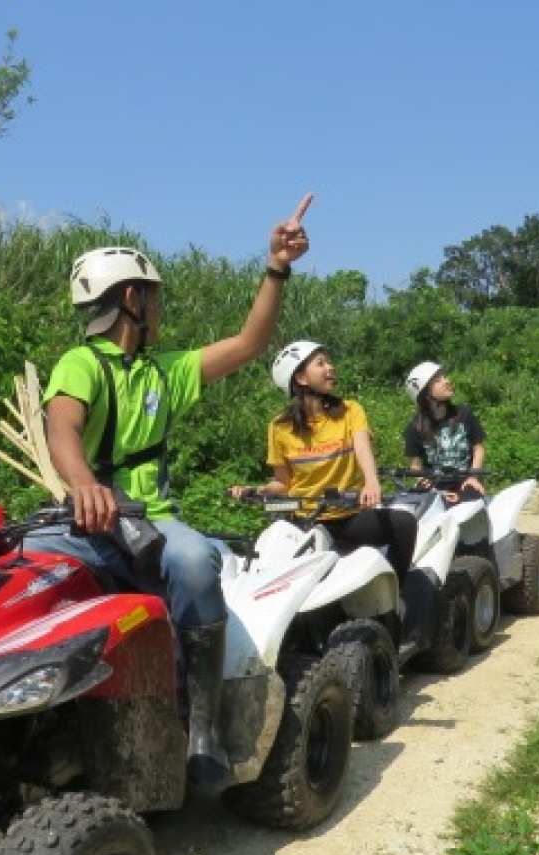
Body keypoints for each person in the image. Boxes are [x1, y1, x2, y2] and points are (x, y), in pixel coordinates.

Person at [23, 195, 313, 785]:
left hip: (151, 521)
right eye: (154, 297)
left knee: (195, 561)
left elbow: (249, 344)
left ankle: (202, 730)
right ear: (133, 299)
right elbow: (62, 428)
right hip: (84, 525)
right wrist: (82, 486)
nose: (159, 308)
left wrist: (277, 267)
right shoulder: (81, 363)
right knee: (20, 568)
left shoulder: (165, 371)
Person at [230, 341, 416, 579]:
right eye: (320, 363)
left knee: (404, 524)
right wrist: (255, 490)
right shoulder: (279, 427)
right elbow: (284, 484)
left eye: (329, 361)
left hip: (349, 517)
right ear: (301, 378)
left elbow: (362, 447)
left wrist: (371, 482)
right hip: (304, 523)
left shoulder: (350, 410)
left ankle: (397, 592)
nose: (330, 367)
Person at [402, 362, 487, 504]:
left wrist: (473, 477)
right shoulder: (415, 427)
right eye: (438, 380)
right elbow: (415, 467)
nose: (446, 381)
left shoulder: (464, 414)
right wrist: (436, 492)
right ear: (425, 394)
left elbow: (478, 449)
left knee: (468, 504)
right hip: (434, 488)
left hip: (466, 483)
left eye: (444, 377)